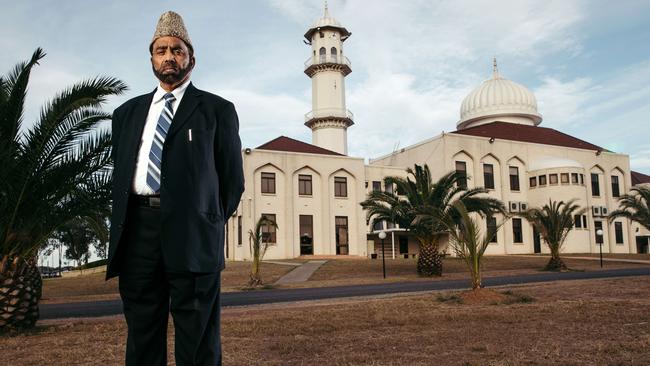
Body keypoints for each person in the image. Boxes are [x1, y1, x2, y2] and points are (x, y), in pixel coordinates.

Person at [106, 11, 244, 365]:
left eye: (177, 50)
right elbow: (121, 175)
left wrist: (206, 219)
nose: (169, 56)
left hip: (193, 234)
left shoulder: (217, 111)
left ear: (191, 59)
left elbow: (232, 182)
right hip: (138, 234)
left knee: (198, 339)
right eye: (161, 50)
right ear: (151, 58)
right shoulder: (126, 114)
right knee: (142, 336)